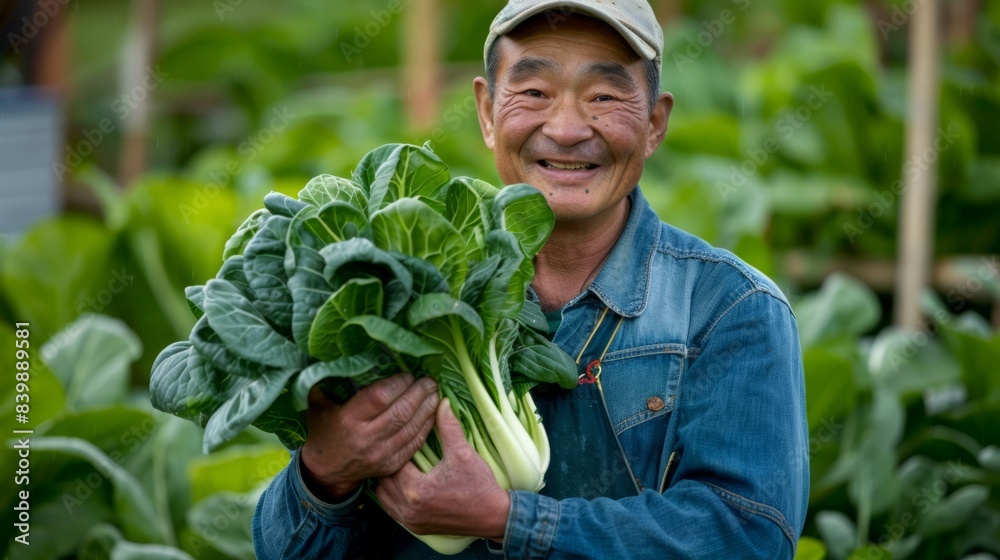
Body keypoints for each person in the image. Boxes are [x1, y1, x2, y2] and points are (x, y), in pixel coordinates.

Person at [252, 0, 809, 558]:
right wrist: (324, 474)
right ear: (488, 112)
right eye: (535, 93)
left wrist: (508, 519)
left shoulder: (731, 309)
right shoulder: (405, 291)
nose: (566, 130)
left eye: (604, 97)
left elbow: (747, 537)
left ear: (655, 123)